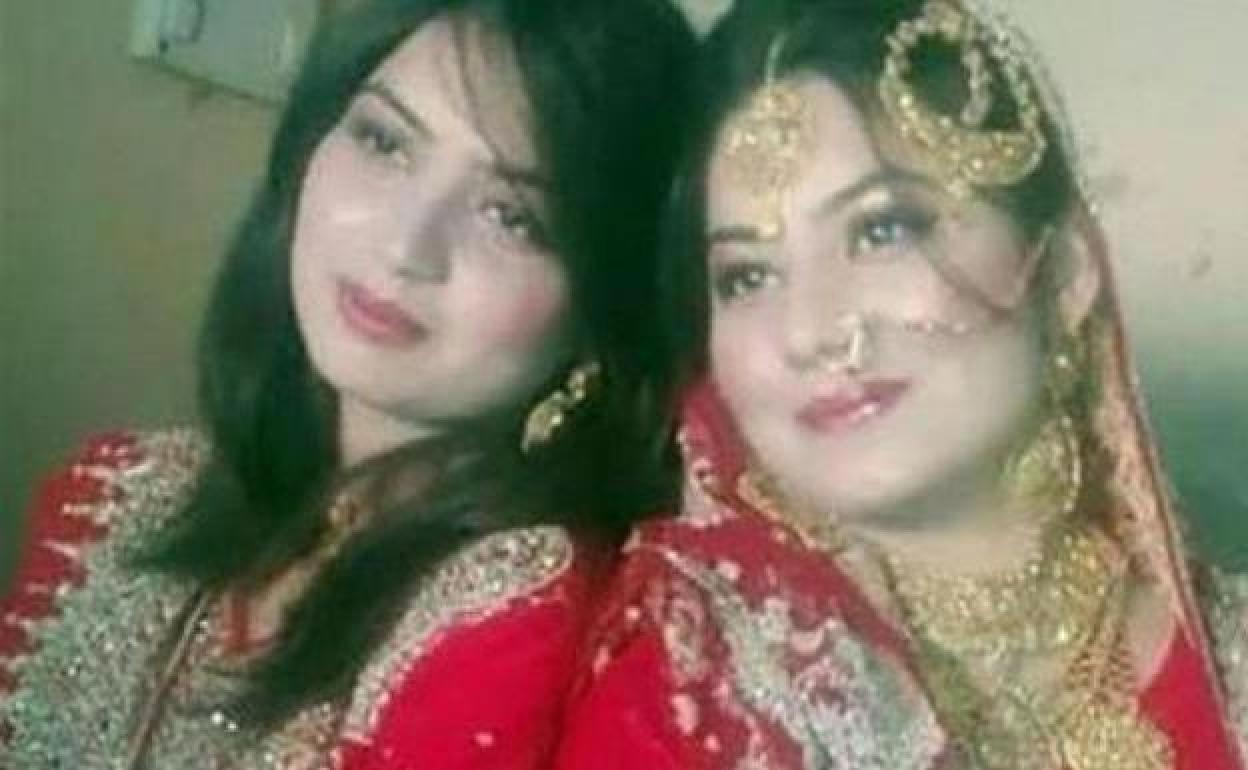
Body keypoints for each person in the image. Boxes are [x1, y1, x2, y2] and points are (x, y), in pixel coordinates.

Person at [555, 0, 1248, 767]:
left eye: (882, 230)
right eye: (746, 276)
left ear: (1063, 274)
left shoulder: (1232, 667)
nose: (812, 332)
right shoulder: (689, 693)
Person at [0, 0, 692, 766]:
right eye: (383, 141)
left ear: (603, 310)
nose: (405, 244)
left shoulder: (517, 625)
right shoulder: (116, 495)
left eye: (510, 214)